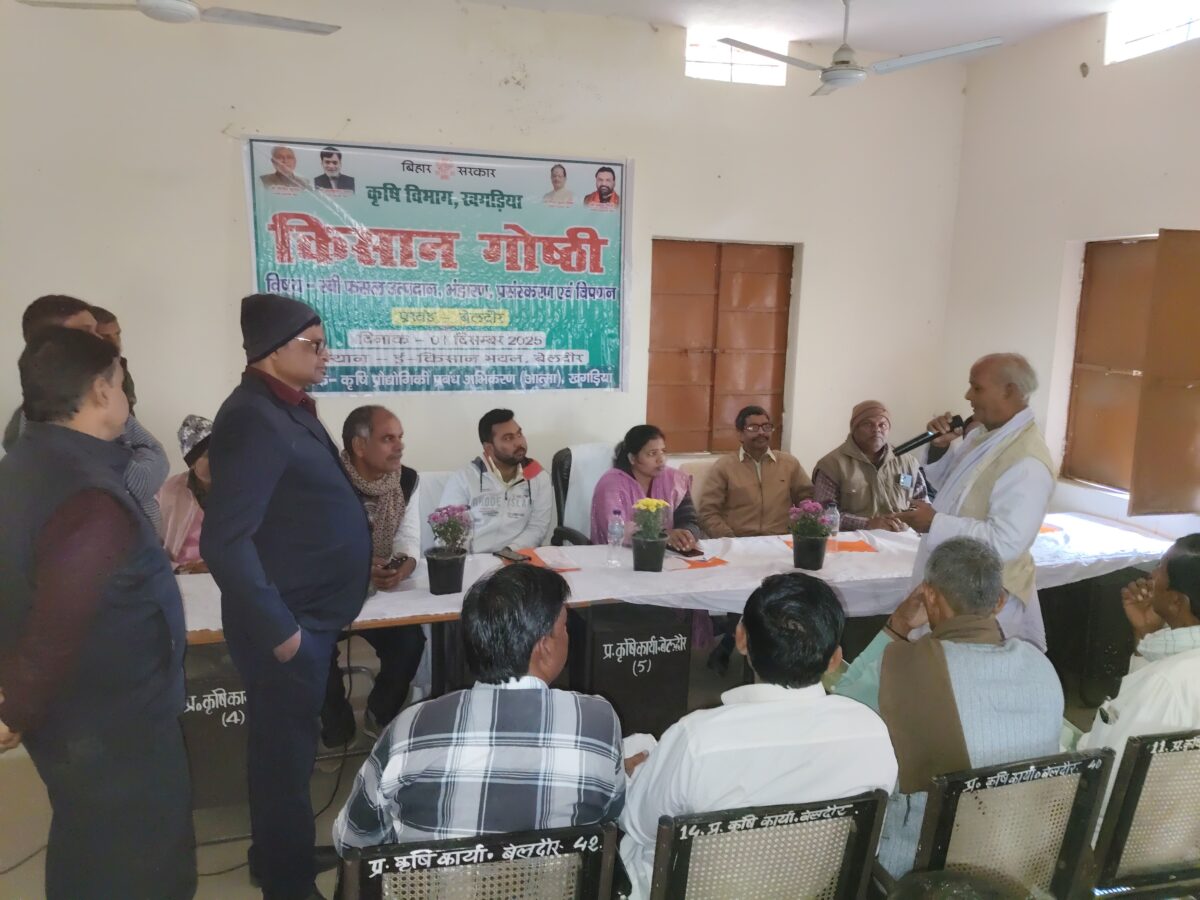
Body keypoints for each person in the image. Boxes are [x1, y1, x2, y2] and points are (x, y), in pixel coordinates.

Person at [0, 328, 194, 899]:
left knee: (87, 843)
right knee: (141, 865)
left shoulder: (25, 463)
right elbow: (59, 623)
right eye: (120, 383)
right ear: (101, 391)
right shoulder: (87, 495)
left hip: (75, 717)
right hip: (112, 722)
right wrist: (14, 708)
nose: (127, 397)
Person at [201, 293, 371, 900]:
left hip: (309, 613)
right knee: (283, 758)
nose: (326, 355)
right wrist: (282, 631)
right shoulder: (253, 416)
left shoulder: (284, 405)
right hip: (287, 623)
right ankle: (287, 883)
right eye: (314, 345)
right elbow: (225, 541)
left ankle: (281, 853)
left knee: (286, 754)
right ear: (273, 349)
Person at [619, 572, 898, 899]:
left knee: (635, 753)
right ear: (835, 659)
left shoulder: (698, 740)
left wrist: (631, 778)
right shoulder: (872, 735)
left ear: (740, 639)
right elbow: (866, 843)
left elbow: (638, 826)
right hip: (812, 892)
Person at [333, 565, 625, 851]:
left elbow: (351, 841)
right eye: (564, 628)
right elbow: (609, 818)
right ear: (544, 646)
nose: (568, 636)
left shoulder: (409, 729)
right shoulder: (597, 723)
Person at [835, 537, 1063, 878]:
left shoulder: (903, 665)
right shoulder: (1040, 665)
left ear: (929, 596)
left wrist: (897, 625)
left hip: (923, 871)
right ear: (1000, 602)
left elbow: (841, 707)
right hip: (1024, 861)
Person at [895, 353, 1055, 650]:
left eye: (977, 387)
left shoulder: (1027, 461)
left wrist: (935, 523)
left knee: (970, 672)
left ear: (1009, 391)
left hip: (985, 601)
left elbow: (1006, 542)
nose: (968, 396)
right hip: (956, 586)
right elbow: (955, 492)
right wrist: (939, 448)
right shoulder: (986, 435)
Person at [4, 295, 168, 534]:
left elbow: (158, 454)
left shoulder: (97, 407)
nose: (99, 339)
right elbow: (134, 485)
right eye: (86, 331)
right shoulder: (43, 428)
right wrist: (135, 461)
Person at [320, 405, 425, 747]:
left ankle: (380, 713)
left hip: (381, 593)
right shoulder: (326, 481)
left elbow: (408, 539)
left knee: (410, 642)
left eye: (400, 437)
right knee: (316, 651)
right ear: (359, 446)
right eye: (388, 439)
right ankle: (337, 732)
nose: (399, 446)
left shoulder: (407, 480)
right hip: (329, 592)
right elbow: (314, 546)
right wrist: (357, 567)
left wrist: (402, 567)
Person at [1080, 535, 1200, 772]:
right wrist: (1145, 633)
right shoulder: (1173, 668)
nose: (1151, 575)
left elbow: (1110, 769)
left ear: (1176, 601)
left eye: (1160, 567)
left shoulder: (1167, 682)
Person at [439, 408, 553, 553]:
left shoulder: (538, 477)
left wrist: (510, 552)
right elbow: (449, 531)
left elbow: (537, 527)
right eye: (508, 438)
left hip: (516, 557)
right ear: (489, 448)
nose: (519, 442)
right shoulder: (464, 479)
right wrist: (467, 560)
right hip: (473, 559)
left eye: (519, 434)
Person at [698, 405, 814, 538]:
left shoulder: (789, 464)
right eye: (753, 428)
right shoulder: (725, 467)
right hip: (739, 540)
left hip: (781, 539)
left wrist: (800, 531)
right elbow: (708, 512)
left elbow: (808, 500)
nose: (761, 433)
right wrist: (730, 539)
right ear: (740, 434)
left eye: (766, 427)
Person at [813, 400, 927, 531]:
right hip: (854, 538)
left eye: (882, 425)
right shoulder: (831, 465)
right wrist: (867, 524)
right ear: (854, 429)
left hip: (902, 535)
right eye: (868, 424)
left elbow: (923, 505)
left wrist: (906, 520)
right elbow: (823, 515)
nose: (876, 429)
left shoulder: (908, 462)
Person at [4, 294, 97, 449]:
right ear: (47, 343)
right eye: (84, 331)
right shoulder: (27, 432)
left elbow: (142, 444)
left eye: (96, 330)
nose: (99, 339)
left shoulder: (103, 387)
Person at [590, 424, 701, 551]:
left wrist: (686, 535)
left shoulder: (674, 480)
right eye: (652, 453)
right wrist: (664, 535)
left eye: (663, 452)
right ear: (632, 458)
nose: (661, 459)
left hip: (666, 554)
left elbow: (690, 520)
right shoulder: (611, 484)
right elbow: (616, 528)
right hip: (617, 553)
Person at [158, 414, 213, 574]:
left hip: (227, 575)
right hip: (182, 576)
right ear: (192, 462)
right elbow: (149, 545)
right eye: (207, 455)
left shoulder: (239, 488)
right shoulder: (167, 491)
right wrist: (178, 569)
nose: (217, 459)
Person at [90, 304, 137, 409]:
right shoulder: (80, 374)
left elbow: (129, 411)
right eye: (105, 336)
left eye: (117, 334)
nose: (115, 342)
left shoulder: (120, 367)